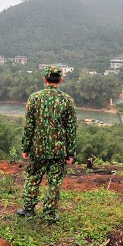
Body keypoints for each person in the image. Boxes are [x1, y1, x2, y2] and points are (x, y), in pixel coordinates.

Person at [17, 65, 77, 223]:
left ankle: (28, 209)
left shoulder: (34, 98)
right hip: (59, 150)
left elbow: (29, 126)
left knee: (33, 178)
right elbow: (71, 129)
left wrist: (25, 147)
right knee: (54, 182)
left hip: (37, 149)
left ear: (44, 79)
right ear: (61, 80)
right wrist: (71, 153)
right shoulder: (68, 101)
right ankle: (50, 213)